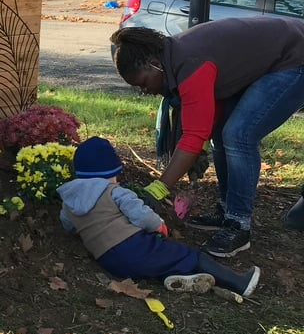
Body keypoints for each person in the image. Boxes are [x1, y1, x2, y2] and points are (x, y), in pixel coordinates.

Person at [111, 19, 304, 257]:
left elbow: (193, 135)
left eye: (143, 83)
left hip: (293, 58)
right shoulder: (174, 58)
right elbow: (205, 121)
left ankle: (238, 224)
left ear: (154, 64)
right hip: (275, 55)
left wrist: (158, 189)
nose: (145, 91)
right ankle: (226, 211)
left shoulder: (190, 65)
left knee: (239, 135)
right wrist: (195, 152)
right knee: (223, 134)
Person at [58, 137, 260, 297]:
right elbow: (142, 216)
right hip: (134, 247)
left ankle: (178, 277)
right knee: (188, 255)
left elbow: (68, 226)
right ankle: (239, 282)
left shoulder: (68, 201)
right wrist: (159, 226)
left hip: (108, 260)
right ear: (112, 172)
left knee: (158, 262)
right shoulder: (115, 192)